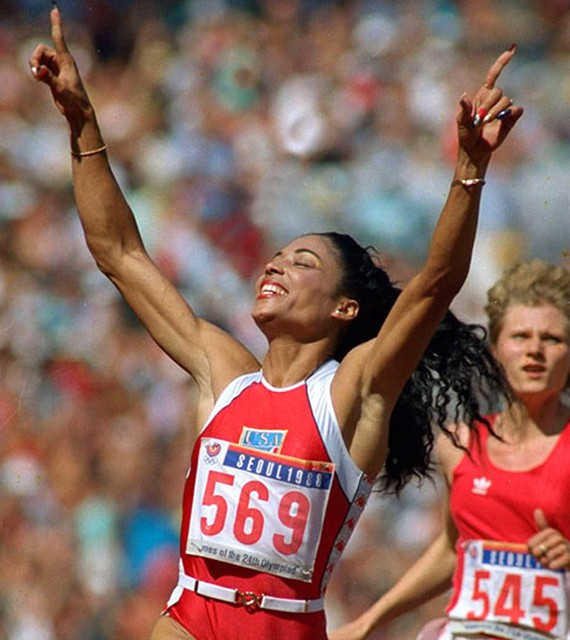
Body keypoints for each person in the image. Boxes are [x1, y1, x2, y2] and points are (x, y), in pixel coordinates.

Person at [30, 6, 522, 640]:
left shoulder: (353, 394)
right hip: (188, 616)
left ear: (345, 308)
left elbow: (434, 284)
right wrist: (81, 119)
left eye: (303, 261)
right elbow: (119, 254)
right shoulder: (223, 372)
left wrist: (469, 169)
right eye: (278, 255)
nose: (276, 265)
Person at [329, 258, 570, 640]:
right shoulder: (458, 444)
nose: (535, 351)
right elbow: (452, 549)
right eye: (521, 337)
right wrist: (367, 623)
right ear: (495, 349)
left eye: (553, 339)